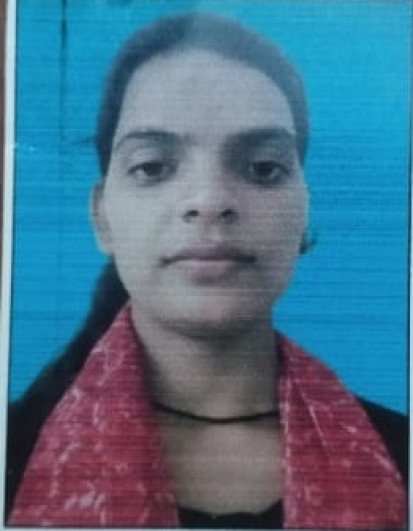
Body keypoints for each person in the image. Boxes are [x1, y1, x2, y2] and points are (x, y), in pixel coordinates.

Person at [6, 13, 407, 529]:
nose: (210, 200)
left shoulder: (400, 452)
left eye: (263, 168)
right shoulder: (13, 455)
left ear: (305, 212)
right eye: (153, 167)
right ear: (102, 216)